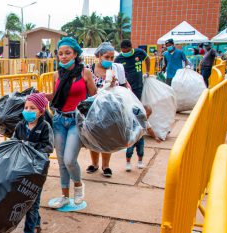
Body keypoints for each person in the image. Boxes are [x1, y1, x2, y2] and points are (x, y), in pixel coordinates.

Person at [46, 37, 97, 209]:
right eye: (60, 54)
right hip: (59, 120)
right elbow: (55, 97)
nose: (64, 56)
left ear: (76, 54)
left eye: (68, 53)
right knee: (60, 161)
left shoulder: (85, 73)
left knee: (69, 160)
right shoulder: (56, 74)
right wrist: (38, 95)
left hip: (76, 121)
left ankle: (78, 185)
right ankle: (64, 196)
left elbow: (94, 97)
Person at [14, 93, 54, 233]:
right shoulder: (20, 126)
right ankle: (36, 225)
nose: (28, 111)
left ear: (41, 111)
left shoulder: (45, 127)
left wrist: (30, 146)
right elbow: (13, 142)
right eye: (26, 108)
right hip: (22, 169)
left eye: (32, 108)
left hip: (37, 172)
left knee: (31, 204)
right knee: (27, 200)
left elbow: (49, 147)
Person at [86, 42, 129, 178]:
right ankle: (94, 163)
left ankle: (106, 165)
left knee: (108, 137)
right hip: (93, 108)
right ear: (99, 56)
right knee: (93, 136)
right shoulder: (88, 69)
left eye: (112, 57)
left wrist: (114, 86)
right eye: (107, 57)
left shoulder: (116, 69)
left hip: (111, 108)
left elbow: (124, 88)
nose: (110, 60)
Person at [126, 105, 161, 171]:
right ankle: (128, 163)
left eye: (149, 116)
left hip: (140, 139)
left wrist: (155, 137)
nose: (148, 117)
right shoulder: (133, 119)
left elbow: (149, 129)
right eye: (147, 115)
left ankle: (140, 162)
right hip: (132, 139)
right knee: (129, 151)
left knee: (141, 151)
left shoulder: (145, 122)